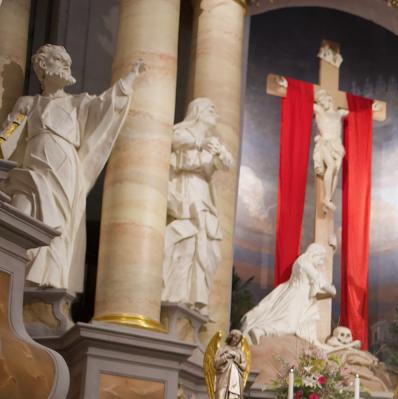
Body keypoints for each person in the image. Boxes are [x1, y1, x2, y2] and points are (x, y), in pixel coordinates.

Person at [1, 44, 144, 290]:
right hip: (32, 172)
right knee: (22, 214)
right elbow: (8, 135)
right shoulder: (29, 103)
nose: (67, 64)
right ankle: (15, 283)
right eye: (59, 59)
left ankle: (48, 284)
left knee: (58, 226)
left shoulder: (78, 103)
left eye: (68, 61)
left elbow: (106, 105)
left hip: (65, 172)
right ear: (43, 66)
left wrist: (128, 80)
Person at [162, 97, 233, 310]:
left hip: (203, 191)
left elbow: (227, 164)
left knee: (211, 249)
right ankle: (177, 294)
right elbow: (173, 139)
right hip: (187, 188)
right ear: (198, 112)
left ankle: (196, 295)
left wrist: (220, 153)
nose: (215, 114)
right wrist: (199, 143)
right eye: (211, 110)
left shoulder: (213, 141)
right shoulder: (183, 131)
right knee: (190, 238)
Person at [240, 242, 337, 346]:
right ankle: (260, 331)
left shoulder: (301, 262)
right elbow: (322, 283)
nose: (321, 262)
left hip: (298, 297)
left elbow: (317, 290)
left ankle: (260, 331)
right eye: (321, 258)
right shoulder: (305, 263)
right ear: (315, 254)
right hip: (297, 298)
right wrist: (332, 290)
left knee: (290, 322)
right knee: (289, 326)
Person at [312, 88, 348, 213]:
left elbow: (357, 114)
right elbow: (302, 101)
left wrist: (370, 108)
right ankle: (326, 198)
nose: (321, 103)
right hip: (325, 143)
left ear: (329, 99)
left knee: (335, 172)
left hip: (336, 144)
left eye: (323, 100)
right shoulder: (320, 111)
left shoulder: (339, 113)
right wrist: (288, 86)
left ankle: (328, 200)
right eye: (319, 101)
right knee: (331, 166)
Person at [209, 330, 247, 399]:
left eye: (238, 339)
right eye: (235, 337)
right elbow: (215, 364)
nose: (236, 340)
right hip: (223, 378)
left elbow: (244, 367)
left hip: (235, 381)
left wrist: (235, 358)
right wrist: (226, 356)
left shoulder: (240, 352)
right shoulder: (222, 349)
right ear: (231, 337)